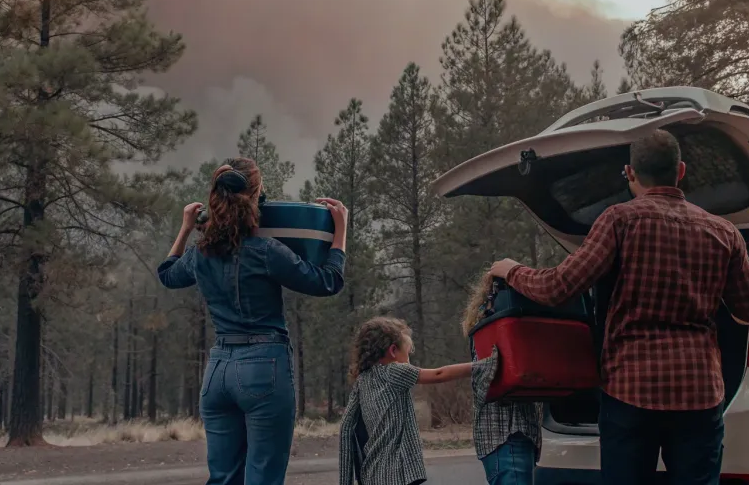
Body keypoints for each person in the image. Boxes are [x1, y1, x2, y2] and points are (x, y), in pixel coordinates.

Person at [487, 129, 749, 485]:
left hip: (630, 390)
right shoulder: (723, 232)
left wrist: (511, 270)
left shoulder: (619, 220)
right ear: (681, 171)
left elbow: (559, 287)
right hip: (699, 391)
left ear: (630, 173)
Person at [158, 158, 349, 485]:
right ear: (256, 197)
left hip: (218, 372)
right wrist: (340, 230)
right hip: (264, 368)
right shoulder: (266, 251)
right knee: (263, 477)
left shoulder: (199, 254)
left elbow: (167, 274)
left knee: (223, 478)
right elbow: (328, 282)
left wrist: (186, 227)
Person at [337, 317, 475, 485]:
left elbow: (346, 426)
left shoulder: (362, 381)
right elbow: (439, 374)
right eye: (408, 354)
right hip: (397, 471)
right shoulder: (394, 371)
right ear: (393, 351)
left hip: (372, 472)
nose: (409, 361)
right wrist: (480, 366)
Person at [461, 274, 542, 485]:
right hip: (507, 435)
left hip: (513, 437)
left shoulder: (491, 327)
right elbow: (484, 383)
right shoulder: (495, 329)